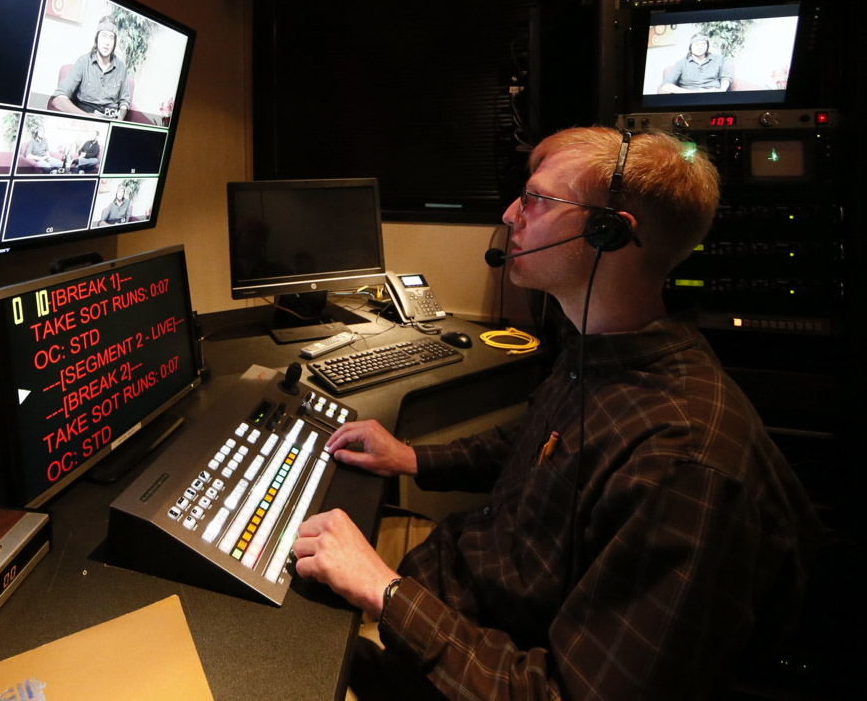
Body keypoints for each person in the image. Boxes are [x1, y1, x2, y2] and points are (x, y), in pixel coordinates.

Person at [293, 126, 820, 701]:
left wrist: (384, 593)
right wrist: (413, 457)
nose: (511, 212)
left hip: (465, 650)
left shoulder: (683, 465)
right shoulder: (600, 350)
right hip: (448, 583)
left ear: (608, 233)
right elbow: (538, 441)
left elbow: (567, 693)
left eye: (538, 199)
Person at [50, 15, 131, 119]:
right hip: (85, 118)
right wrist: (87, 117)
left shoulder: (121, 67)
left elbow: (125, 101)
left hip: (110, 118)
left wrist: (118, 121)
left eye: (111, 38)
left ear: (115, 42)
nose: (107, 42)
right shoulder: (83, 62)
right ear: (97, 38)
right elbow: (58, 98)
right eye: (104, 35)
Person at [659, 32, 733, 93]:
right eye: (697, 44)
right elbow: (666, 85)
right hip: (691, 98)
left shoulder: (718, 59)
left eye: (703, 44)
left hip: (714, 94)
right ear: (690, 47)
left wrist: (722, 90)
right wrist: (691, 93)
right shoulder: (681, 63)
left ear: (707, 46)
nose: (700, 47)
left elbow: (726, 77)